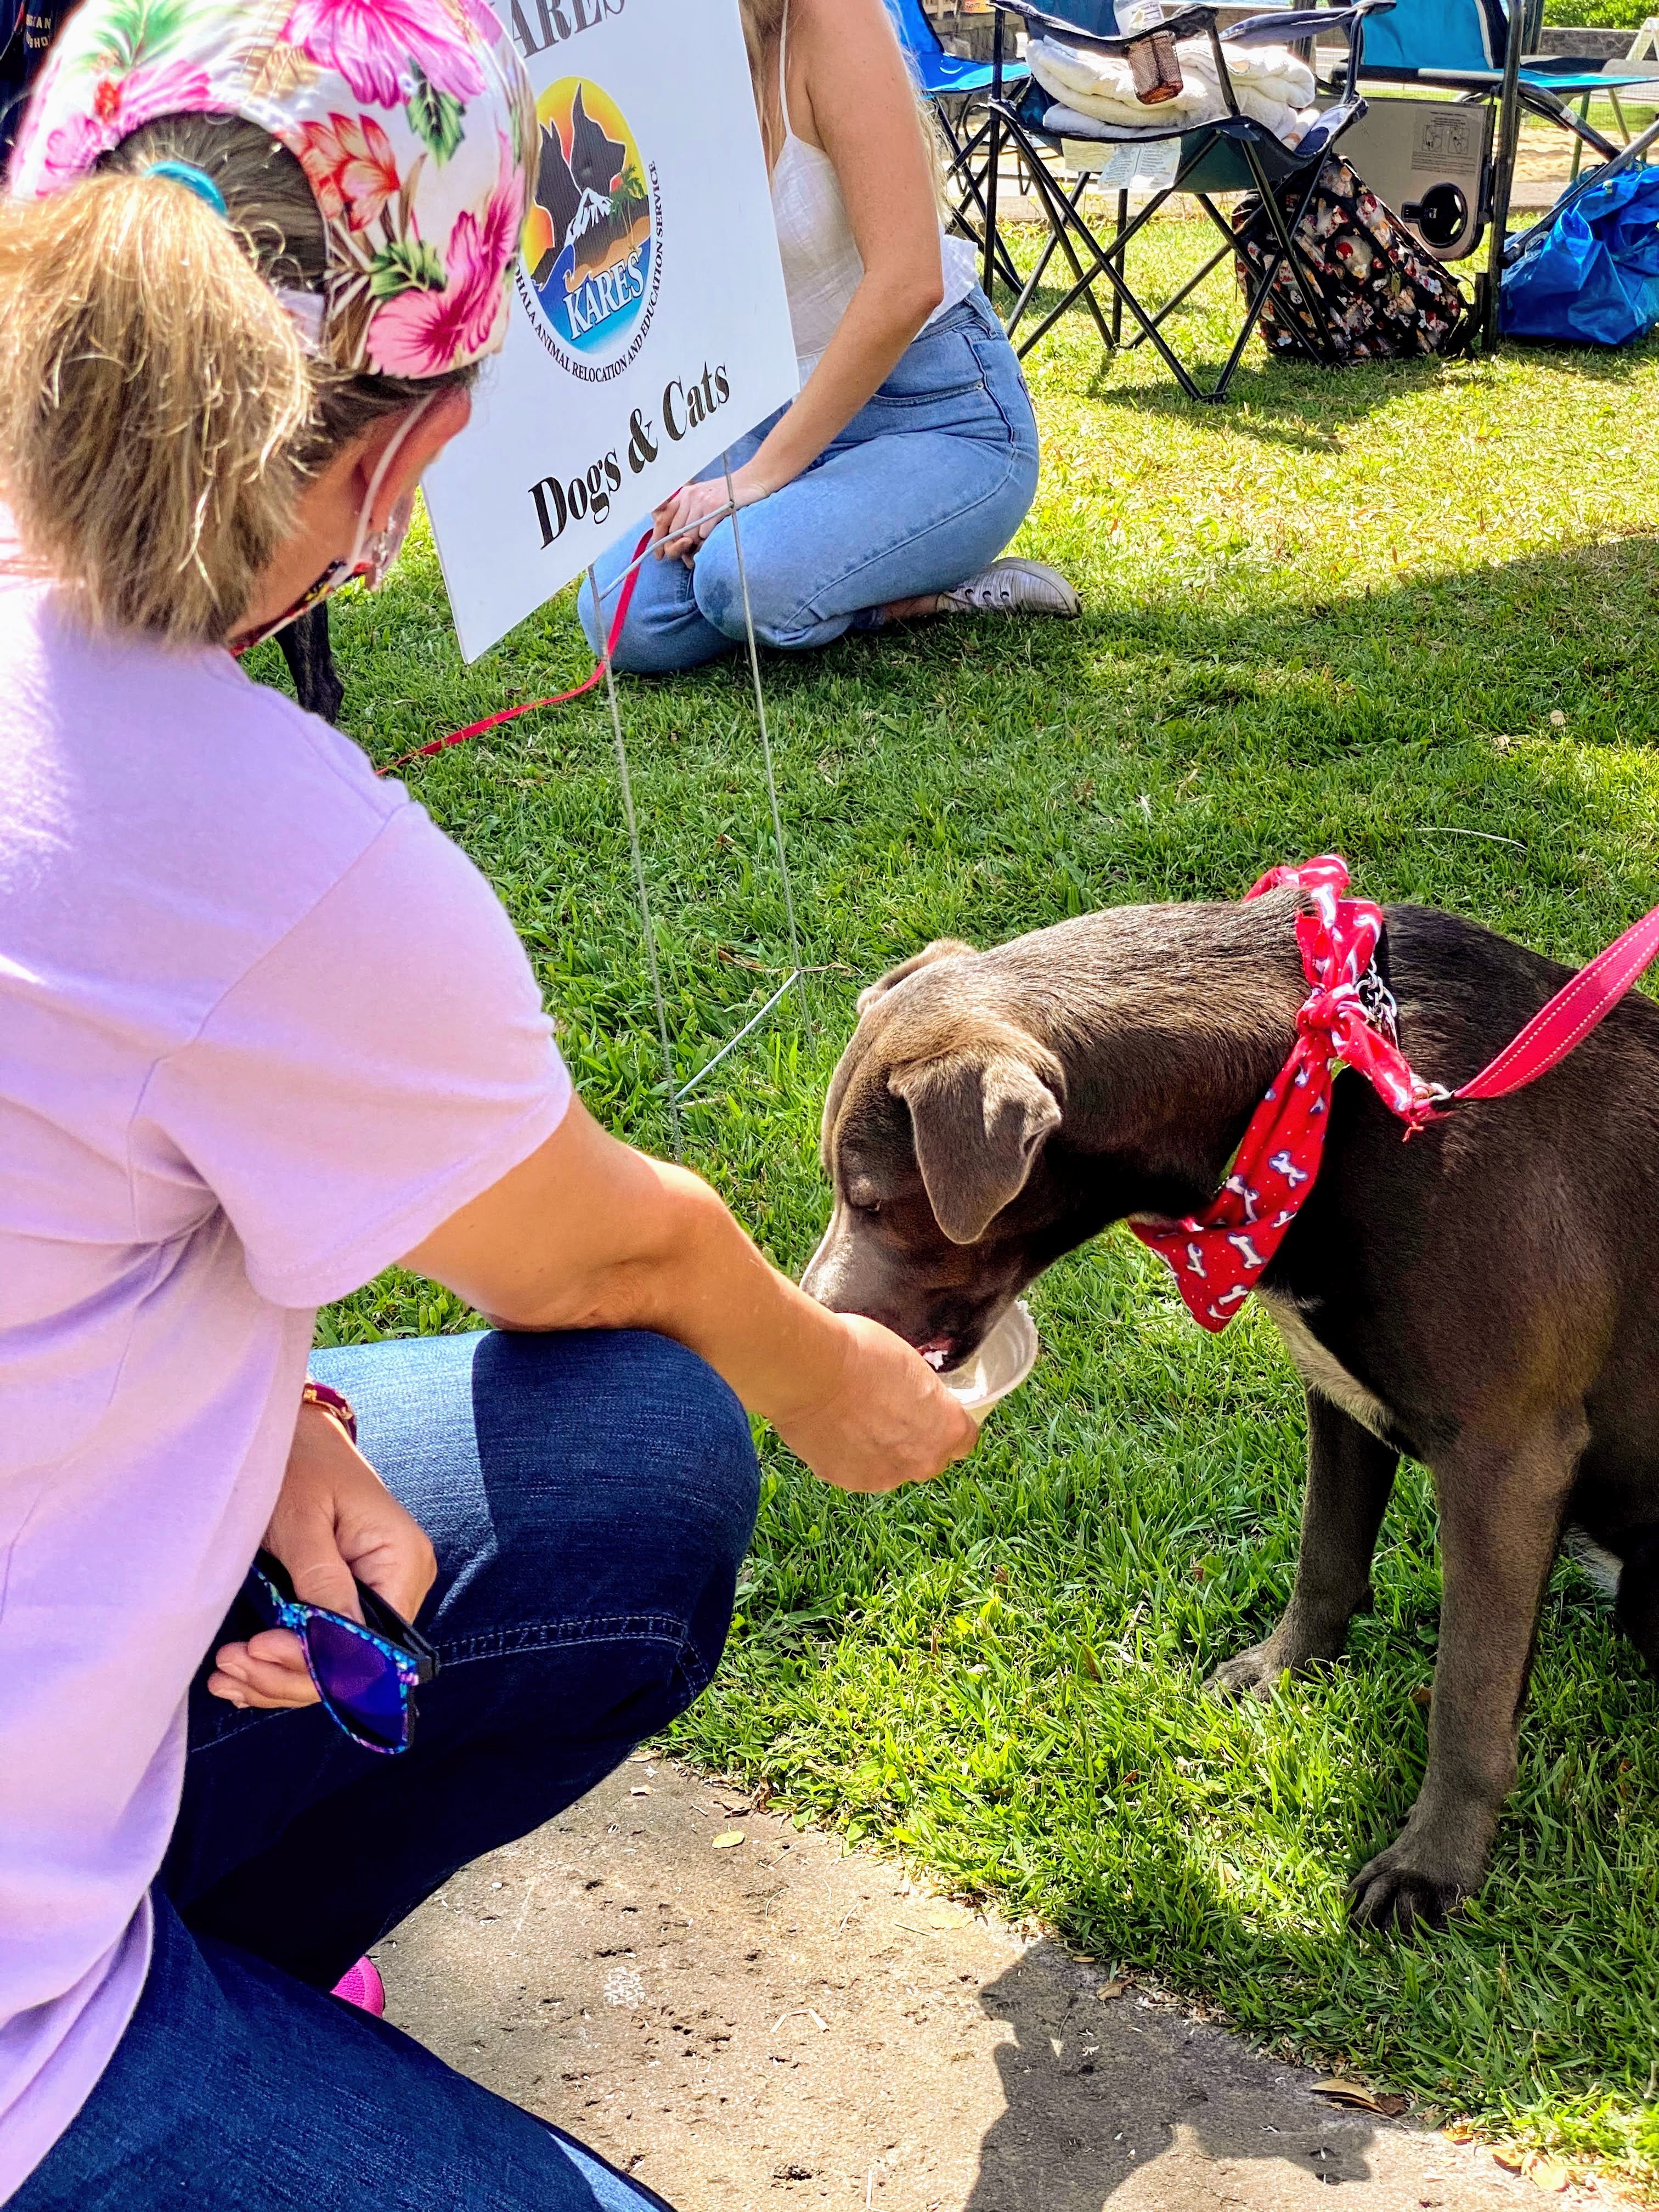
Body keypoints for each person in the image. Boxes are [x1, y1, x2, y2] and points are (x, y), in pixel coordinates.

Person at [0, 2, 978, 2205]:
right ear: (410, 447)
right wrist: (828, 1376)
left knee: (624, 1467)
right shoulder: (261, 840)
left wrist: (271, 1428)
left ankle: (211, 1974)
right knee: (665, 1403)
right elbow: (608, 1250)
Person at [576, 0, 1076, 675]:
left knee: (740, 580)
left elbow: (908, 282)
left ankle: (918, 596)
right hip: (771, 408)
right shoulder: (661, 50)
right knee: (621, 617)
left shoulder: (831, 17)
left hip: (933, 412)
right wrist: (692, 460)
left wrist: (755, 479)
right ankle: (848, 564)